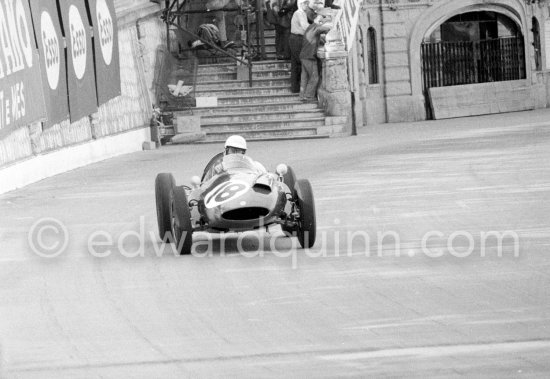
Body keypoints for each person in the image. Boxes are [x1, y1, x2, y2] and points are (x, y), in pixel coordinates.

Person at [299, 8, 332, 101]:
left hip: (303, 55)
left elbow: (315, 38)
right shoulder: (316, 27)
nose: (322, 21)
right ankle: (308, 96)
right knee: (314, 77)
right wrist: (331, 25)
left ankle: (302, 96)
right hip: (309, 56)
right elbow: (326, 29)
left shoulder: (310, 27)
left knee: (304, 78)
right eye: (322, 18)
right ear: (319, 18)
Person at [289, 0, 310, 93]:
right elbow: (305, 26)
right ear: (301, 4)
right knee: (300, 62)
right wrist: (316, 27)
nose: (307, 5)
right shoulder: (300, 13)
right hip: (297, 39)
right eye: (305, 3)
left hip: (294, 38)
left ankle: (295, 88)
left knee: (295, 63)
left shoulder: (300, 13)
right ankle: (301, 87)